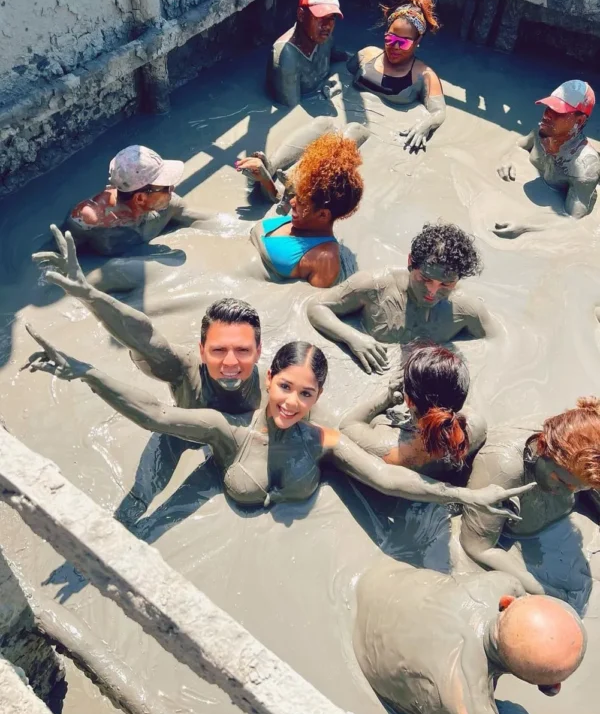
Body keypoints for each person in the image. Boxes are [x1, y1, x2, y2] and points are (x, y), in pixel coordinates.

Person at [24, 331, 532, 515]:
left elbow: (387, 478)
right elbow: (157, 414)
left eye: (305, 394)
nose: (291, 401)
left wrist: (466, 498)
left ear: (318, 397)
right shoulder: (228, 430)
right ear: (268, 380)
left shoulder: (327, 439)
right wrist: (87, 373)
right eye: (285, 387)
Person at [32, 226, 262, 412]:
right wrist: (90, 296)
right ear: (202, 351)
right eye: (218, 350)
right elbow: (145, 339)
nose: (230, 362)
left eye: (242, 350)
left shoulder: (276, 385)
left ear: (258, 351)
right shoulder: (185, 370)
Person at [354, 559, 586, 714]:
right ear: (550, 688)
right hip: (374, 675)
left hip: (374, 584)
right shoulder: (472, 709)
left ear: (506, 602)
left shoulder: (502, 584)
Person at [307, 221, 498, 373]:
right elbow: (316, 306)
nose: (432, 291)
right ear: (410, 262)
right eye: (425, 279)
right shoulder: (373, 285)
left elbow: (496, 346)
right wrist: (353, 338)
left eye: (445, 285)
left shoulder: (467, 309)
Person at [460, 397, 600, 596]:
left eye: (580, 488)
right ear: (543, 449)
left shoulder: (581, 467)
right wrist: (544, 591)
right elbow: (477, 547)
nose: (569, 492)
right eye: (562, 481)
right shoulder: (504, 466)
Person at [340, 342, 486, 478]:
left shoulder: (393, 451)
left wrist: (386, 398)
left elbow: (347, 426)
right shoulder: (476, 426)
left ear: (409, 401)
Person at [249, 131, 364, 287]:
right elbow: (280, 201)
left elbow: (309, 300)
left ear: (323, 215)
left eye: (301, 201)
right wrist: (265, 179)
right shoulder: (302, 219)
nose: (292, 202)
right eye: (296, 195)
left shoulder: (325, 259)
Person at [66, 145, 216, 255]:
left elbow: (208, 221)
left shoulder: (168, 205)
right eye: (166, 186)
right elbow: (59, 254)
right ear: (140, 198)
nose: (172, 188)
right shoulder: (89, 219)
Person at [494, 80, 599, 238]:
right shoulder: (542, 132)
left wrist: (525, 227)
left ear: (579, 121)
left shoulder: (585, 168)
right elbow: (518, 145)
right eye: (549, 107)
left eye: (558, 112)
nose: (547, 115)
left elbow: (573, 221)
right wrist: (507, 159)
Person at [347, 0, 446, 152]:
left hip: (384, 138)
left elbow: (439, 112)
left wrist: (425, 125)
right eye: (391, 39)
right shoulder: (367, 54)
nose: (395, 47)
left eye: (404, 42)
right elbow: (342, 70)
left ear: (418, 41)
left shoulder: (424, 75)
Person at [234, 117, 369, 206]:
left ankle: (286, 172)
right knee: (326, 123)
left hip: (289, 194)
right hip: (290, 193)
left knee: (349, 128)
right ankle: (279, 169)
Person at [266, 0, 348, 107]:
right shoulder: (286, 56)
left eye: (331, 18)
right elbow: (292, 112)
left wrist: (336, 78)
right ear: (301, 15)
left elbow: (343, 60)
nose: (327, 25)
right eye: (320, 17)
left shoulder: (325, 37)